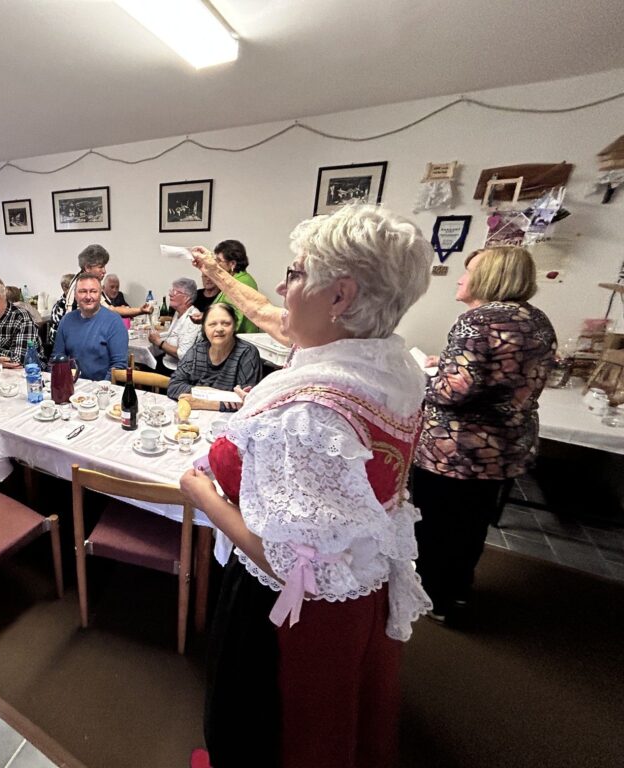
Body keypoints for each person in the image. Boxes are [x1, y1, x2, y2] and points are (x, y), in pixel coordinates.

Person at [179, 205, 433, 767]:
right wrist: (219, 278)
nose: (279, 284)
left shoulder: (311, 413)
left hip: (286, 606)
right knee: (333, 712)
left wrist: (201, 494)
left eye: (294, 273)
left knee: (259, 720)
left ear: (339, 296)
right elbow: (275, 317)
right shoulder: (388, 360)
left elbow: (290, 564)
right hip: (360, 580)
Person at [412, 246, 557, 623]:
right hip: (504, 448)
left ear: (491, 277)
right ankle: (456, 592)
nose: (461, 278)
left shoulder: (476, 320)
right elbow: (506, 375)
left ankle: (431, 598)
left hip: (457, 450)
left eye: (469, 270)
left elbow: (452, 391)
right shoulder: (537, 320)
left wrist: (416, 379)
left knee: (436, 526)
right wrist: (444, 363)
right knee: (471, 526)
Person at [47, 245, 153, 347]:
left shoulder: (88, 281)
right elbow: (111, 312)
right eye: (100, 267)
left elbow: (111, 310)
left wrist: (140, 310)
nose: (104, 271)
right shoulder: (82, 286)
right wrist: (140, 310)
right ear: (88, 267)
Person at [167, 304, 261, 411]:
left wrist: (203, 403)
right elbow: (173, 386)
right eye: (212, 324)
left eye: (226, 323)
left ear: (235, 326)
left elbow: (248, 401)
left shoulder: (247, 353)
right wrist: (210, 392)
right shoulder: (197, 350)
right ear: (204, 328)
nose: (219, 329)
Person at [52, 274, 127, 381]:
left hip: (103, 389)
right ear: (75, 295)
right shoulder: (66, 320)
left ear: (100, 294)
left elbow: (118, 366)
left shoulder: (114, 322)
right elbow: (56, 358)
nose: (88, 297)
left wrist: (100, 390)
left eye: (93, 291)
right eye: (82, 291)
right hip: (72, 386)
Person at [148, 278, 201, 375]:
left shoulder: (192, 319)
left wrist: (158, 342)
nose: (170, 294)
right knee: (143, 361)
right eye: (172, 290)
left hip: (178, 370)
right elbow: (172, 334)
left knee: (142, 367)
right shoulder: (178, 313)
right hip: (167, 361)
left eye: (175, 291)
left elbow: (183, 354)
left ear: (187, 298)